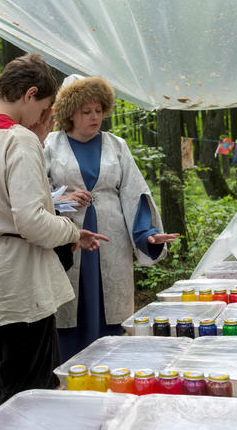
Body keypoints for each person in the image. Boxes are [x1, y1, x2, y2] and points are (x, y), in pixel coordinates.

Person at [0, 55, 108, 425]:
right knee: (29, 387)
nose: (42, 117)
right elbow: (32, 222)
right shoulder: (19, 139)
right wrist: (72, 231)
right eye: (42, 107)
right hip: (19, 282)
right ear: (30, 94)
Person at [44, 75, 178, 361]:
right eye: (86, 111)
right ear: (70, 113)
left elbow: (134, 192)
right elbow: (33, 191)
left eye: (98, 110)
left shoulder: (116, 145)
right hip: (68, 238)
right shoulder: (50, 144)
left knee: (111, 306)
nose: (95, 117)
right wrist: (59, 199)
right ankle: (71, 372)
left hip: (111, 240)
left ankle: (113, 369)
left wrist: (146, 234)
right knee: (69, 309)